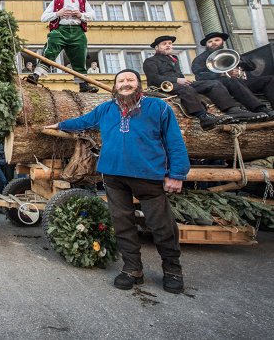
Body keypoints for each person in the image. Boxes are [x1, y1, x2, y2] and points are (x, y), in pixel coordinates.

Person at [46, 69, 188, 294]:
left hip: (149, 176)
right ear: (115, 86)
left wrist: (177, 174)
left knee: (161, 226)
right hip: (114, 176)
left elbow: (174, 141)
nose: (125, 84)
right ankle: (133, 269)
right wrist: (60, 125)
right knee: (122, 224)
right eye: (121, 81)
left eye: (130, 80)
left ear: (138, 84)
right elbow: (84, 121)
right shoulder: (106, 108)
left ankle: (172, 270)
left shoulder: (158, 107)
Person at [142, 35, 261, 130]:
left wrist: (184, 80)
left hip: (180, 83)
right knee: (186, 89)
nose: (168, 45)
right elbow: (153, 78)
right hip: (162, 86)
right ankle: (203, 116)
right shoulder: (150, 61)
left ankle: (232, 110)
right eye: (164, 44)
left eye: (170, 43)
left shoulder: (174, 59)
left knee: (212, 83)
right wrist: (177, 80)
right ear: (157, 48)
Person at [26, 0, 98, 93]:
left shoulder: (84, 2)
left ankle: (83, 84)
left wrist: (81, 15)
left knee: (80, 56)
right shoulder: (57, 2)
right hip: (60, 30)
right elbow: (43, 18)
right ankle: (36, 75)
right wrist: (58, 13)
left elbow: (93, 16)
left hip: (77, 32)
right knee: (50, 50)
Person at [191, 32, 274, 119]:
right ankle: (260, 108)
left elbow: (252, 66)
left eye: (217, 40)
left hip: (239, 82)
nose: (213, 43)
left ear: (222, 42)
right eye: (210, 42)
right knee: (232, 81)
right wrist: (222, 73)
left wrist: (239, 63)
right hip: (221, 85)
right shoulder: (200, 59)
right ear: (206, 45)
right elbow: (200, 76)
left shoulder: (231, 53)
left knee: (269, 79)